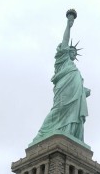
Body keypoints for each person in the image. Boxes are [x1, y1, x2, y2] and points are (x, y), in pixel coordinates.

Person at [30, 10, 90, 146]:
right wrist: (69, 25)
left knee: (73, 115)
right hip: (63, 91)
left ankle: (70, 133)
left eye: (75, 52)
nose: (74, 53)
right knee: (58, 110)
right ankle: (42, 134)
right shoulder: (62, 60)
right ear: (66, 51)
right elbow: (65, 40)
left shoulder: (75, 69)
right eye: (71, 51)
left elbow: (77, 83)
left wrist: (83, 91)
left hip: (75, 96)